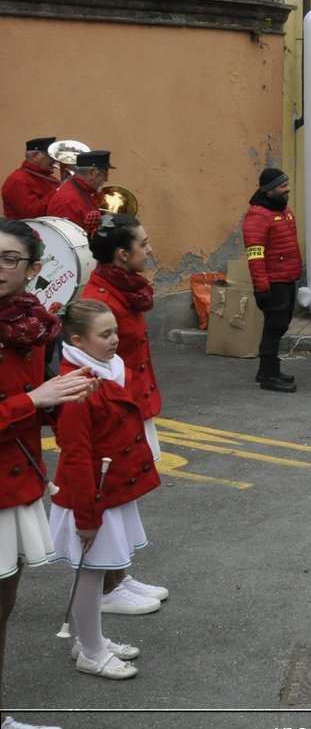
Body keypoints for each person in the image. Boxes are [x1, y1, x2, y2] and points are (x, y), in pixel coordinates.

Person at [0, 219, 95, 729]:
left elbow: (37, 404)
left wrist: (69, 402)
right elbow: (25, 402)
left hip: (18, 485)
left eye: (9, 259)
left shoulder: (32, 326)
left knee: (4, 607)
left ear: (35, 270)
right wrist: (33, 402)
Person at [48, 299, 163, 681]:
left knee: (95, 572)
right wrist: (86, 517)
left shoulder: (108, 370)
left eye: (115, 331)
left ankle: (89, 637)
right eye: (105, 334)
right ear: (78, 340)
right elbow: (77, 458)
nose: (116, 340)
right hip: (91, 496)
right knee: (90, 573)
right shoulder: (79, 388)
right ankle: (91, 652)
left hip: (109, 491)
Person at [82, 213, 170, 616]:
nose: (150, 250)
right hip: (116, 410)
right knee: (112, 494)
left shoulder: (125, 288)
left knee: (125, 492)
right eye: (144, 244)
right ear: (122, 254)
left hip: (135, 403)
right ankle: (107, 588)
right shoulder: (100, 297)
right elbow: (93, 367)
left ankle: (119, 574)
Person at [243, 167, 303, 393]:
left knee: (280, 326)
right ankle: (268, 375)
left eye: (287, 184)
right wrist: (262, 287)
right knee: (273, 327)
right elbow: (255, 255)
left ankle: (269, 370)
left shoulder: (283, 211)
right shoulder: (258, 216)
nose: (287, 189)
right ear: (269, 191)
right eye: (282, 186)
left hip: (286, 279)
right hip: (273, 283)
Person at [47, 150, 114, 234]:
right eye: (105, 174)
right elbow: (68, 240)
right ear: (91, 173)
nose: (106, 179)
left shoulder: (82, 191)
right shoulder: (68, 201)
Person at [2, 137, 59, 221]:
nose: (55, 160)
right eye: (51, 156)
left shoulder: (50, 177)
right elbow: (32, 214)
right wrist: (58, 190)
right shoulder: (17, 180)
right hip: (25, 232)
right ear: (35, 156)